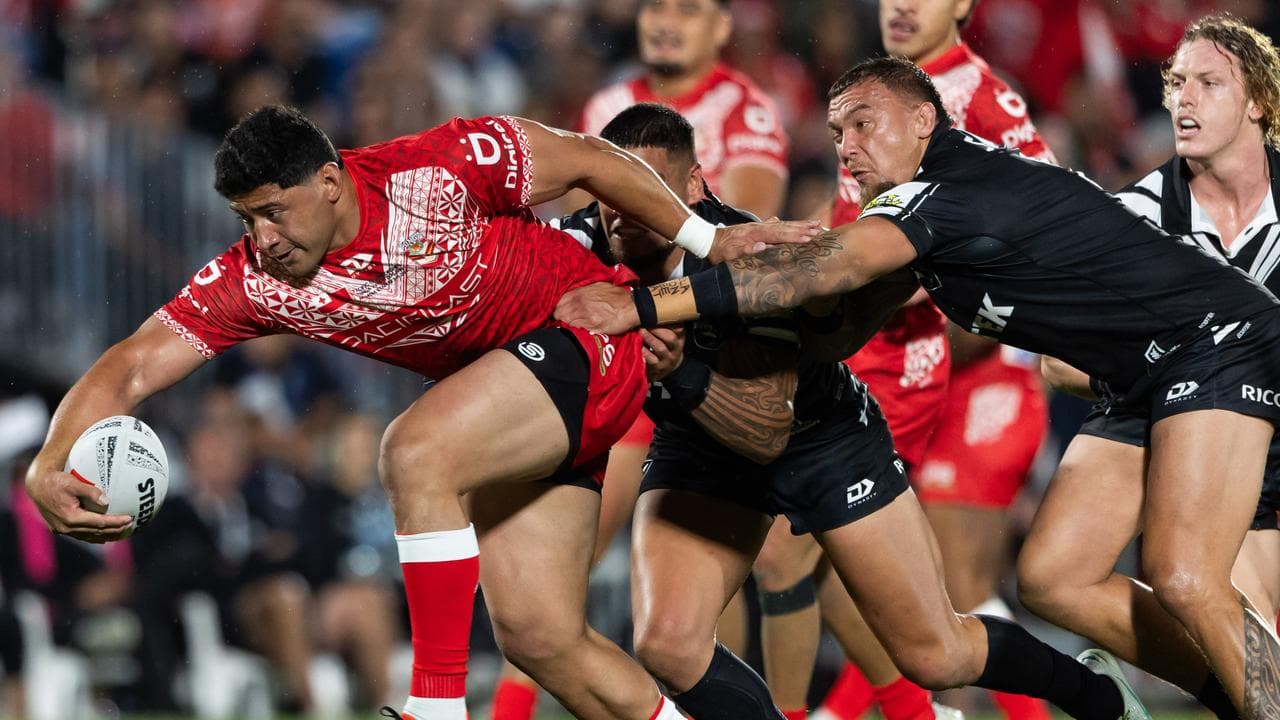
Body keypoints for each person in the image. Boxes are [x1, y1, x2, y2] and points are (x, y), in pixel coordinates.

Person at [22, 104, 814, 720]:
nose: (260, 238)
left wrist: (709, 243)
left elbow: (590, 159)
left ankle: (435, 706)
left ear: (329, 183)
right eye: (244, 219)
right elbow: (131, 363)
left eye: (272, 211)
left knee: (415, 450)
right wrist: (48, 460)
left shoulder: (435, 167)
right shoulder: (259, 280)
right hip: (519, 405)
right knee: (541, 638)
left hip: (585, 331)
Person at [556, 54, 1280, 719]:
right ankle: (1158, 698)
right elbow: (836, 323)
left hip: (1214, 341)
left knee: (1183, 574)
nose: (846, 146)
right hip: (1137, 379)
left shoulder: (948, 189)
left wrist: (638, 309)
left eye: (865, 122)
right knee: (1054, 578)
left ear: (925, 120)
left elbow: (818, 277)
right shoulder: (913, 221)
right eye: (838, 130)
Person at [799, 3, 1055, 718]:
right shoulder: (867, 94)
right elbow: (848, 210)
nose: (902, 6)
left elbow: (1052, 213)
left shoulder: (983, 99)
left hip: (978, 375)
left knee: (952, 582)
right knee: (861, 573)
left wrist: (969, 304)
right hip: (891, 359)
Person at [1023, 14, 1280, 719]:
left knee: (1214, 600)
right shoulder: (1137, 211)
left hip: (1270, 440)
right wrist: (1189, 377)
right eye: (1174, 84)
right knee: (1051, 576)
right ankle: (1232, 695)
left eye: (1207, 83)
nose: (1183, 100)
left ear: (1257, 101)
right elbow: (1057, 359)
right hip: (1166, 411)